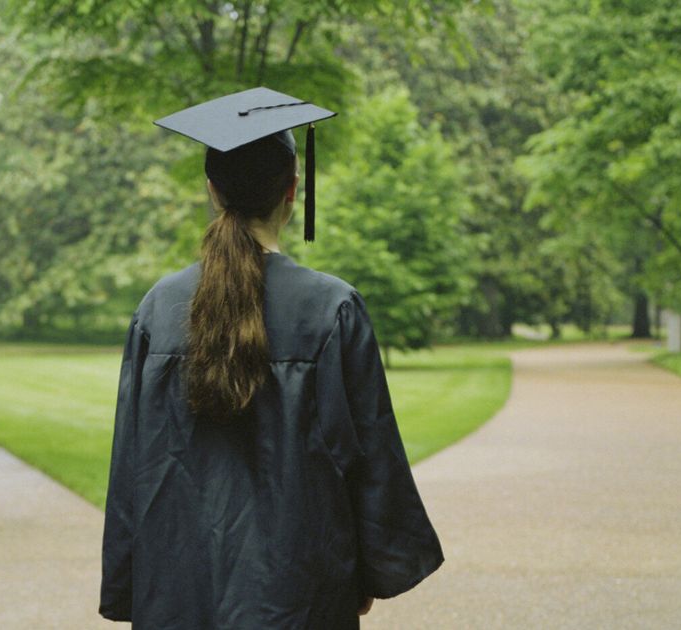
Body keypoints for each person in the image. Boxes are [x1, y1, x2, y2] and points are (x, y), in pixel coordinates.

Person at [99, 88, 443, 630]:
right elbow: (371, 456)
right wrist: (373, 569)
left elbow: (132, 467)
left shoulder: (158, 311)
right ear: (293, 189)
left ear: (212, 191)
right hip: (300, 596)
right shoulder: (332, 309)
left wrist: (125, 585)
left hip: (180, 594)